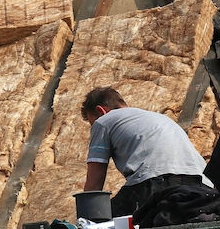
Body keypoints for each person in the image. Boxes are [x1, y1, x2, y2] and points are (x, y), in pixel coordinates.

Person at [82, 86, 209, 218]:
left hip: (157, 183)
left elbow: (94, 185)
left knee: (106, 223)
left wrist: (86, 221)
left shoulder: (103, 121)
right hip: (202, 187)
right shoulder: (160, 118)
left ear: (101, 111)